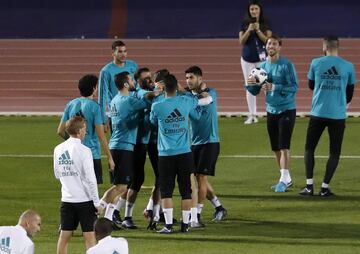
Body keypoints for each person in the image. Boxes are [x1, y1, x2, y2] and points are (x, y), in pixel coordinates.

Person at [150, 73, 210, 234]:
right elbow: (201, 99)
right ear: (176, 86)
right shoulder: (185, 102)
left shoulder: (157, 106)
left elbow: (152, 121)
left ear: (163, 89)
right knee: (186, 191)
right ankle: (185, 225)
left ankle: (168, 225)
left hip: (165, 154)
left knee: (167, 191)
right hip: (185, 153)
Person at [299, 35, 356, 197]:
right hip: (337, 115)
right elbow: (350, 94)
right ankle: (324, 188)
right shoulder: (348, 66)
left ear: (324, 47)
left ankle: (309, 186)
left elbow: (311, 86)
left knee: (309, 148)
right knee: (335, 152)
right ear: (338, 47)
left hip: (317, 113)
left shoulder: (316, 63)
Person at [98, 71, 150, 229]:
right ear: (126, 84)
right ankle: (97, 208)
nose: (134, 81)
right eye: (132, 80)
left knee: (119, 185)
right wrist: (154, 91)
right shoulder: (128, 100)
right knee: (121, 187)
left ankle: (108, 219)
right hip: (123, 147)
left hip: (117, 146)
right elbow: (149, 103)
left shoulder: (115, 99)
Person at [247, 35, 298, 193]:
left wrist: (274, 87)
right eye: (269, 44)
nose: (271, 46)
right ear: (266, 47)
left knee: (284, 146)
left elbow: (294, 87)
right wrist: (251, 85)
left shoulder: (286, 65)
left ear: (279, 47)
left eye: (274, 44)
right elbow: (255, 91)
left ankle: (283, 179)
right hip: (271, 110)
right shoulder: (261, 67)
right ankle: (286, 178)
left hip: (286, 110)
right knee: (275, 147)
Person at [185, 66, 227, 227]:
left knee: (201, 178)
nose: (189, 81)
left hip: (210, 142)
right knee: (197, 179)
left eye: (192, 78)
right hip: (193, 143)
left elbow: (207, 97)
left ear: (200, 78)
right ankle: (219, 206)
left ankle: (197, 214)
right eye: (187, 78)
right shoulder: (188, 97)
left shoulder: (212, 92)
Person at [54, 116, 101, 254]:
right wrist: (97, 202)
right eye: (85, 129)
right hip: (84, 200)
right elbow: (91, 179)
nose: (85, 132)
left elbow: (57, 174)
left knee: (64, 236)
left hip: (67, 199)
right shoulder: (85, 150)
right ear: (80, 131)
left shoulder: (58, 149)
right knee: (90, 237)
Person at [57, 74, 115, 184]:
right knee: (91, 190)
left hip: (74, 153)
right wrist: (110, 157)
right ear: (93, 88)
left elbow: (60, 131)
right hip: (91, 154)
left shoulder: (71, 104)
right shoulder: (95, 107)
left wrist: (72, 141)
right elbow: (101, 135)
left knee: (77, 188)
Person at [239, 0, 272, 124]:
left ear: (260, 10)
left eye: (256, 9)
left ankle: (271, 112)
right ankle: (252, 115)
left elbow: (268, 41)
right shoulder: (245, 23)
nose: (254, 11)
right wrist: (249, 30)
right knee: (250, 86)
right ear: (249, 11)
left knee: (265, 86)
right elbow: (241, 41)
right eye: (251, 9)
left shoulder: (265, 23)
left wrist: (258, 30)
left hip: (261, 61)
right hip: (247, 60)